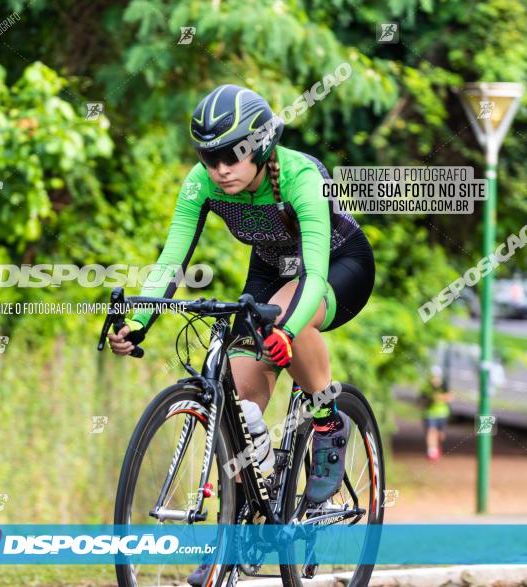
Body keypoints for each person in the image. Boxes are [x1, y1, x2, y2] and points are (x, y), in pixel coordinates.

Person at [107, 84, 376, 585]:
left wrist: (288, 329)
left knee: (279, 317)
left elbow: (312, 278)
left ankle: (328, 419)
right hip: (271, 269)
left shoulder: (300, 176)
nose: (220, 169)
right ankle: (242, 520)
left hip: (338, 266)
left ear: (261, 146)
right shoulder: (201, 183)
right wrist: (138, 321)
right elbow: (172, 260)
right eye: (209, 157)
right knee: (239, 400)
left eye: (232, 155)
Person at [420, 365, 453, 460]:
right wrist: (428, 400)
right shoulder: (426, 387)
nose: (434, 379)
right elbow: (421, 400)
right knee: (431, 431)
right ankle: (432, 452)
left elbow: (450, 397)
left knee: (440, 435)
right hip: (429, 413)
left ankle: (437, 447)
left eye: (436, 377)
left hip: (442, 414)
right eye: (433, 377)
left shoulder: (444, 386)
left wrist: (439, 398)